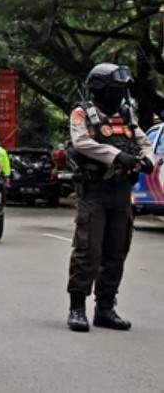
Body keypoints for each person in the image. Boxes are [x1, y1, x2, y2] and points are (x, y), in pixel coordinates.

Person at [65, 63, 152, 333]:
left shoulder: (126, 114)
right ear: (101, 89)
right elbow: (82, 143)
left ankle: (105, 307)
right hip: (95, 190)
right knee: (88, 249)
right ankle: (77, 308)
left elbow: (142, 140)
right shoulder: (82, 114)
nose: (120, 95)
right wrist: (116, 156)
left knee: (117, 249)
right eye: (116, 89)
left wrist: (146, 159)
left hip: (121, 191)